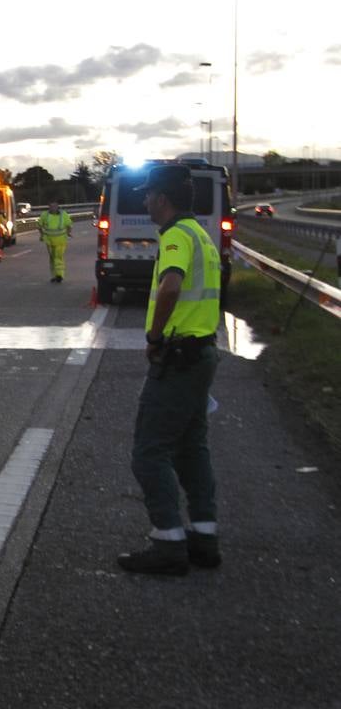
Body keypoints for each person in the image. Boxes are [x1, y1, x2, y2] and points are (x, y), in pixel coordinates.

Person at [117, 164, 222, 575]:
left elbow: (172, 285)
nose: (144, 202)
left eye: (147, 195)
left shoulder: (177, 236)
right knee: (191, 448)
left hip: (178, 357)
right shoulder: (202, 235)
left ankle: (168, 542)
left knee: (149, 451)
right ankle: (203, 536)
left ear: (162, 198)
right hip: (202, 353)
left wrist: (155, 337)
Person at [38, 199, 74, 282]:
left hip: (61, 241)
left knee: (58, 257)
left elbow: (69, 225)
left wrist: (68, 233)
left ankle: (59, 275)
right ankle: (53, 275)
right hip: (49, 241)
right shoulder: (44, 215)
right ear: (48, 207)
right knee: (52, 258)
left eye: (55, 206)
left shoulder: (63, 215)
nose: (53, 208)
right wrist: (41, 235)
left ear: (58, 206)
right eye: (51, 206)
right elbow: (39, 225)